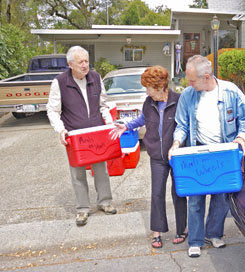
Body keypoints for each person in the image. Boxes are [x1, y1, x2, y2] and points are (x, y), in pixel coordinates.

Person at [168, 55, 245, 258]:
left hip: (224, 151)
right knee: (195, 197)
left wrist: (242, 138)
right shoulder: (188, 95)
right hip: (198, 151)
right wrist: (175, 144)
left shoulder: (231, 91)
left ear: (206, 76)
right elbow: (181, 125)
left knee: (221, 197)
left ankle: (214, 234)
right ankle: (195, 240)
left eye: (191, 80)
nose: (188, 84)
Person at [110, 65, 187, 248]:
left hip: (177, 155)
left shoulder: (178, 100)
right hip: (157, 155)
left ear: (160, 86)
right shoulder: (148, 102)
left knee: (179, 193)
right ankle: (157, 231)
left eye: (149, 88)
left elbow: (185, 124)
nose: (147, 91)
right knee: (157, 193)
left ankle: (182, 229)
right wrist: (126, 126)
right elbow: (143, 119)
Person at [46, 46, 117, 227]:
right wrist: (61, 130)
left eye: (87, 61)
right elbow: (53, 110)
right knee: (77, 174)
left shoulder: (95, 77)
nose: (85, 66)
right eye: (81, 62)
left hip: (96, 134)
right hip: (75, 137)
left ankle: (105, 202)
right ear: (70, 64)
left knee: (101, 170)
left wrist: (109, 125)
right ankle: (82, 209)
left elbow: (103, 105)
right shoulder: (60, 82)